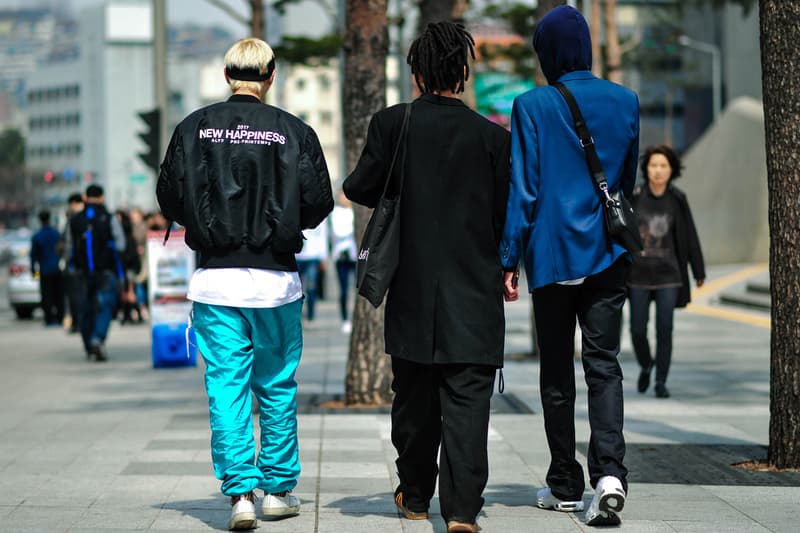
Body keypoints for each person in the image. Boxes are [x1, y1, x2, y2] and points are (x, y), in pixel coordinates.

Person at [156, 37, 333, 531]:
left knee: (226, 388)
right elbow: (319, 200)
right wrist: (285, 221)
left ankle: (240, 495)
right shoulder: (294, 130)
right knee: (276, 385)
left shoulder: (193, 128)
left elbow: (169, 194)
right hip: (277, 280)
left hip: (215, 280)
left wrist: (201, 220)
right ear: (271, 76)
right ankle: (277, 490)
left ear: (226, 75)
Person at [344, 22, 511, 533]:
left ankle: (415, 496)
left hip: (412, 290)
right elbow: (507, 217)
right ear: (462, 73)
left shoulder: (393, 124)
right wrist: (510, 268)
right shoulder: (493, 138)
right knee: (468, 404)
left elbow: (359, 187)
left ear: (416, 74)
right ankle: (461, 511)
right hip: (475, 291)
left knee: (413, 400)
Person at [499, 6, 639, 527]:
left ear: (547, 54)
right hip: (607, 252)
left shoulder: (530, 105)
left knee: (557, 369)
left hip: (553, 252)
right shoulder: (625, 100)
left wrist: (509, 258)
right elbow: (625, 180)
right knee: (604, 365)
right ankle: (610, 475)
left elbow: (524, 189)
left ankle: (564, 482)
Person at [628, 145, 705, 399]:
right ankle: (646, 364)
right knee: (637, 330)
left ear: (672, 169)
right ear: (646, 168)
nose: (658, 171)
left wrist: (698, 270)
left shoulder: (677, 199)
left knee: (665, 328)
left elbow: (690, 235)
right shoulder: (635, 196)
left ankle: (661, 381)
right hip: (638, 275)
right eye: (653, 165)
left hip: (669, 276)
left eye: (663, 166)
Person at [66, 184, 126, 361]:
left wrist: (72, 266)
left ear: (85, 197)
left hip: (81, 272)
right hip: (106, 270)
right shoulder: (109, 217)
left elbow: (69, 246)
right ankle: (97, 338)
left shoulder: (75, 220)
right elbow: (121, 244)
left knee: (85, 308)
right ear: (102, 197)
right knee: (105, 306)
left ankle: (88, 344)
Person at [30, 209, 64, 326]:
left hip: (44, 270)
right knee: (59, 294)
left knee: (46, 295)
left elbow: (33, 256)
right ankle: (60, 317)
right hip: (57, 269)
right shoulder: (56, 234)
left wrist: (34, 272)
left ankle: (49, 319)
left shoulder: (37, 236)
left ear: (40, 220)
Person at [330, 191, 356, 333]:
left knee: (356, 289)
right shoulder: (336, 213)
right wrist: (351, 227)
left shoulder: (354, 212)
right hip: (340, 256)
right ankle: (345, 318)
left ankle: (353, 318)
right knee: (344, 289)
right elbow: (337, 232)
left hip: (354, 255)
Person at [61, 193, 85, 332]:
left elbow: (69, 243)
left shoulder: (73, 219)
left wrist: (66, 261)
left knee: (75, 295)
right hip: (89, 264)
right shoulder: (89, 216)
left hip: (74, 264)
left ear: (74, 203)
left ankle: (77, 322)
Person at [294, 222, 328, 322]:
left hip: (313, 256)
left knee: (311, 286)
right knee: (296, 289)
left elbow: (323, 235)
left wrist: (323, 257)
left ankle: (310, 313)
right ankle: (297, 314)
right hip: (297, 256)